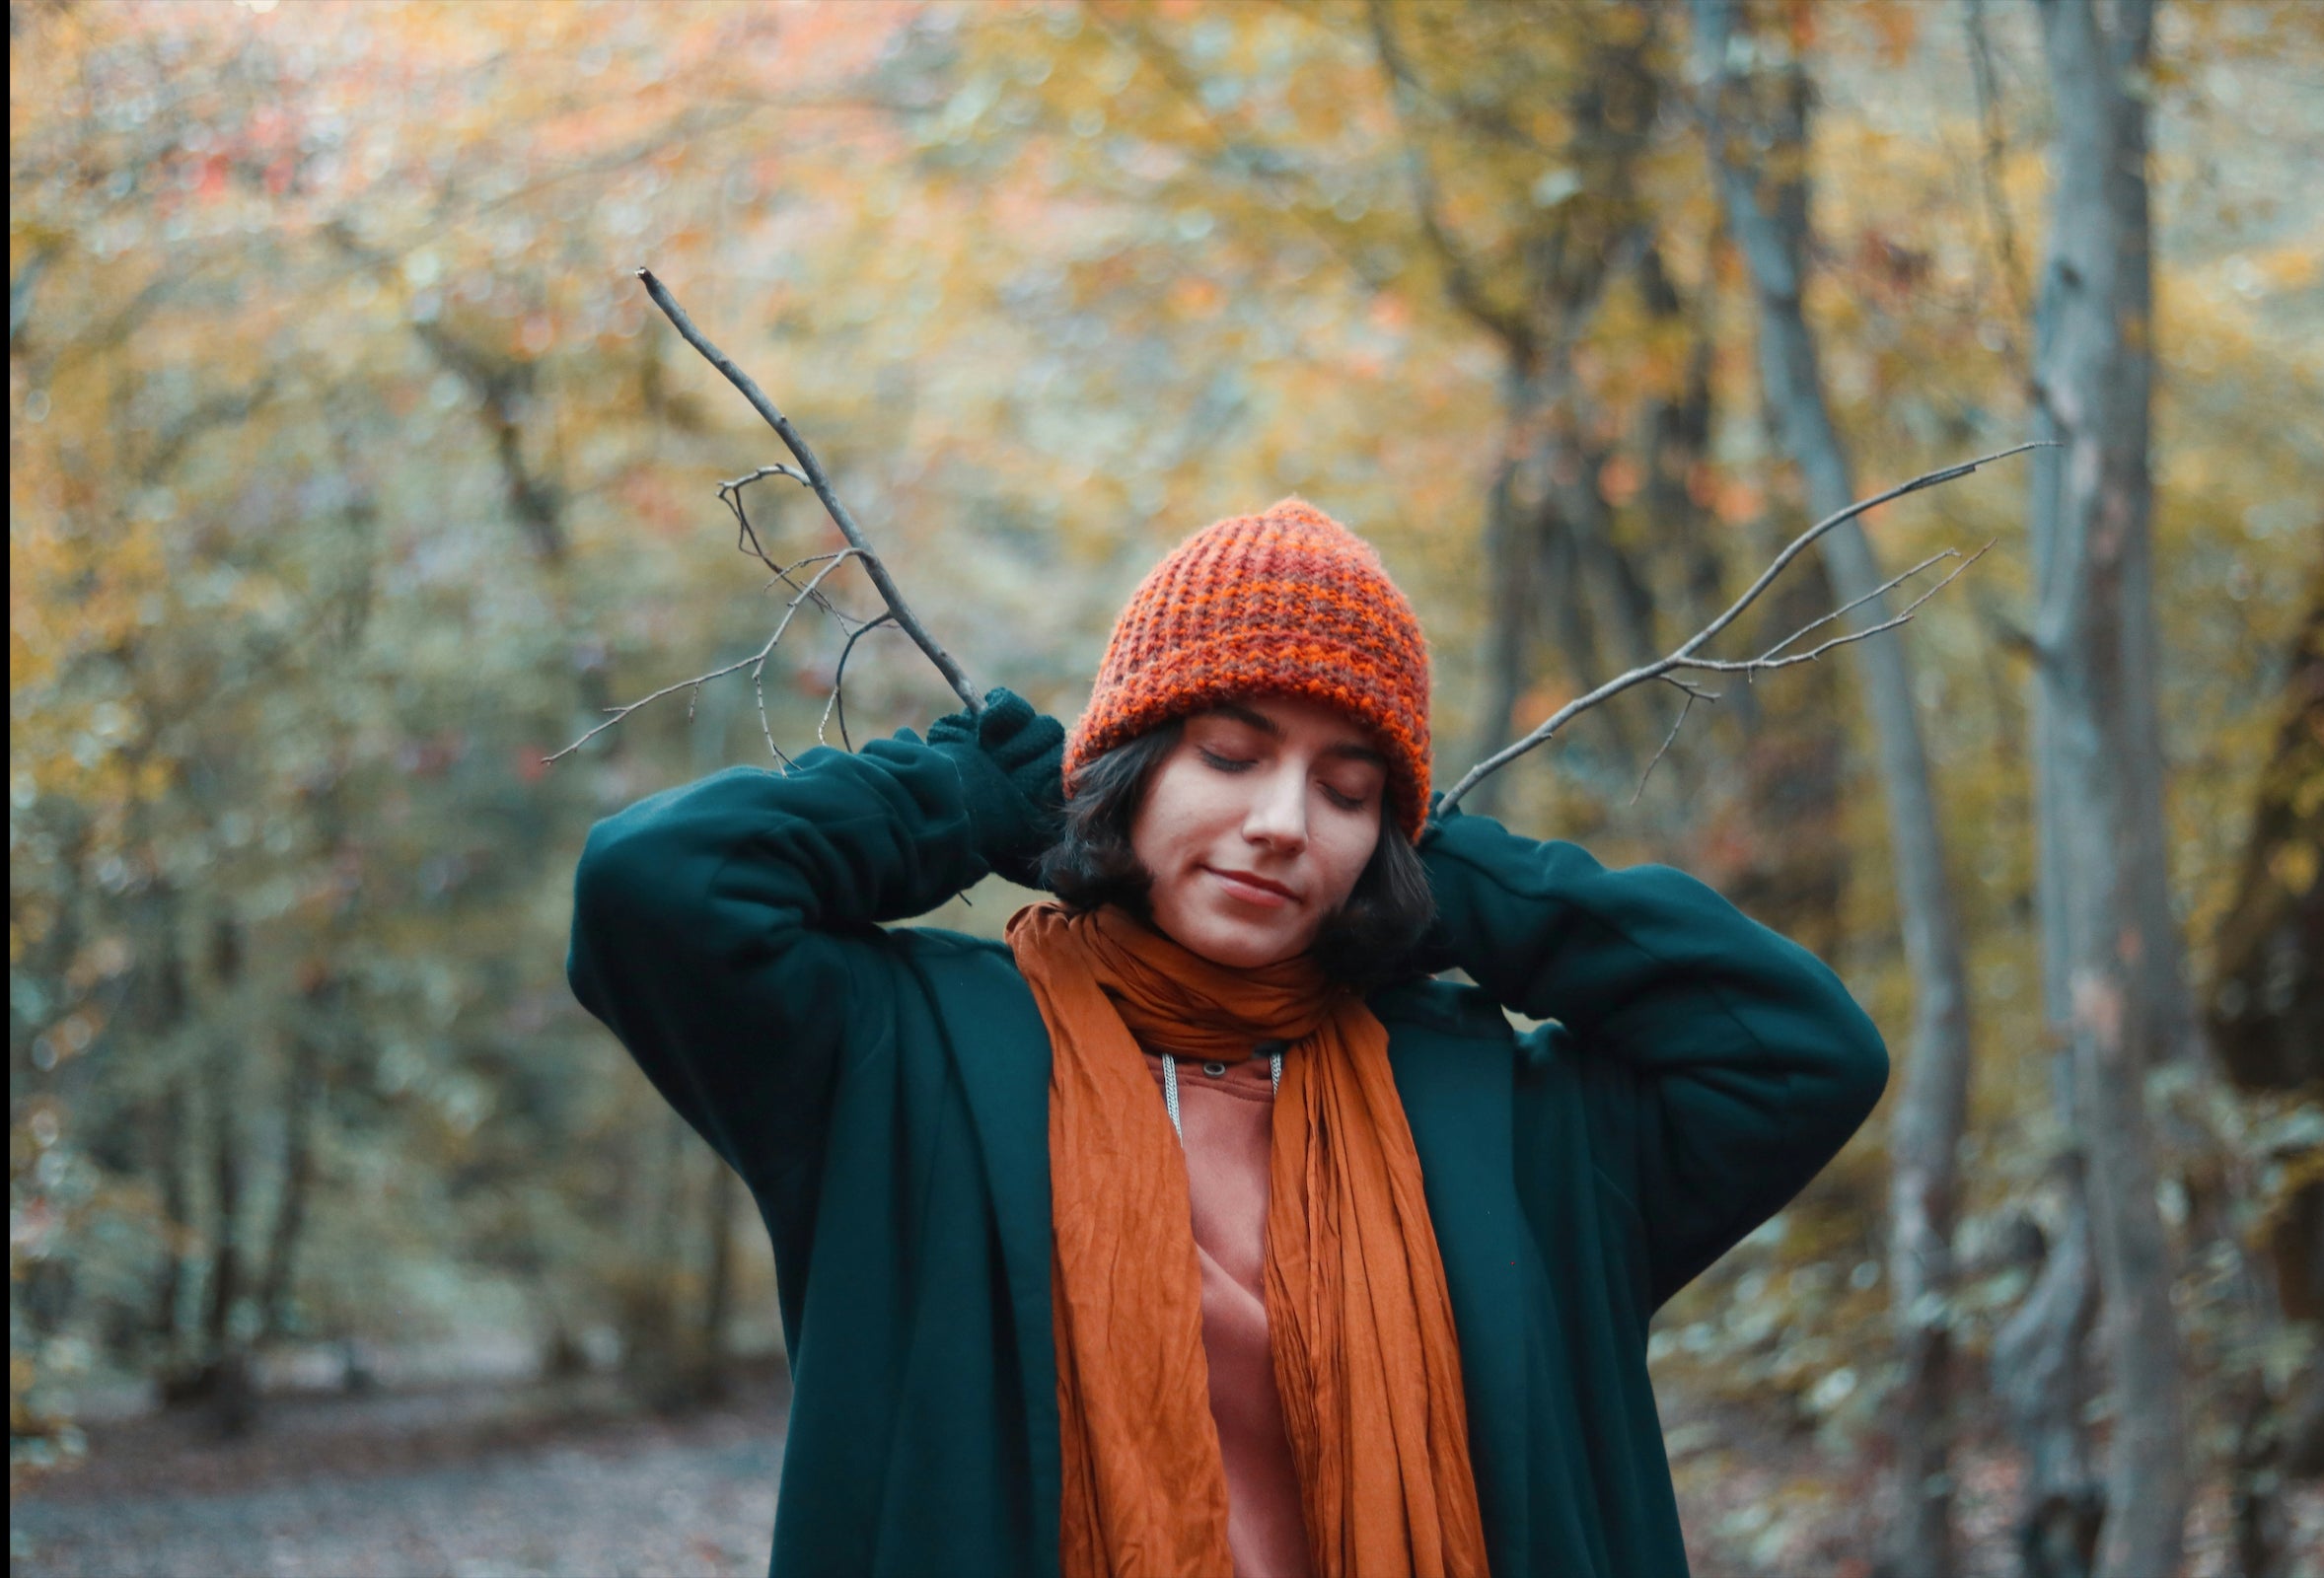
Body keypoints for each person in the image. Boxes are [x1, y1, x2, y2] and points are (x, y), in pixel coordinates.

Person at [567, 499, 1889, 1578]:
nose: (1281, 822)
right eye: (1227, 753)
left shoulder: (1485, 1109)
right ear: (1128, 766)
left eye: (1345, 788)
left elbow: (1793, 1046)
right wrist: (973, 797)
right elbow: (660, 891)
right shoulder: (915, 1058)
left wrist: (1440, 884)